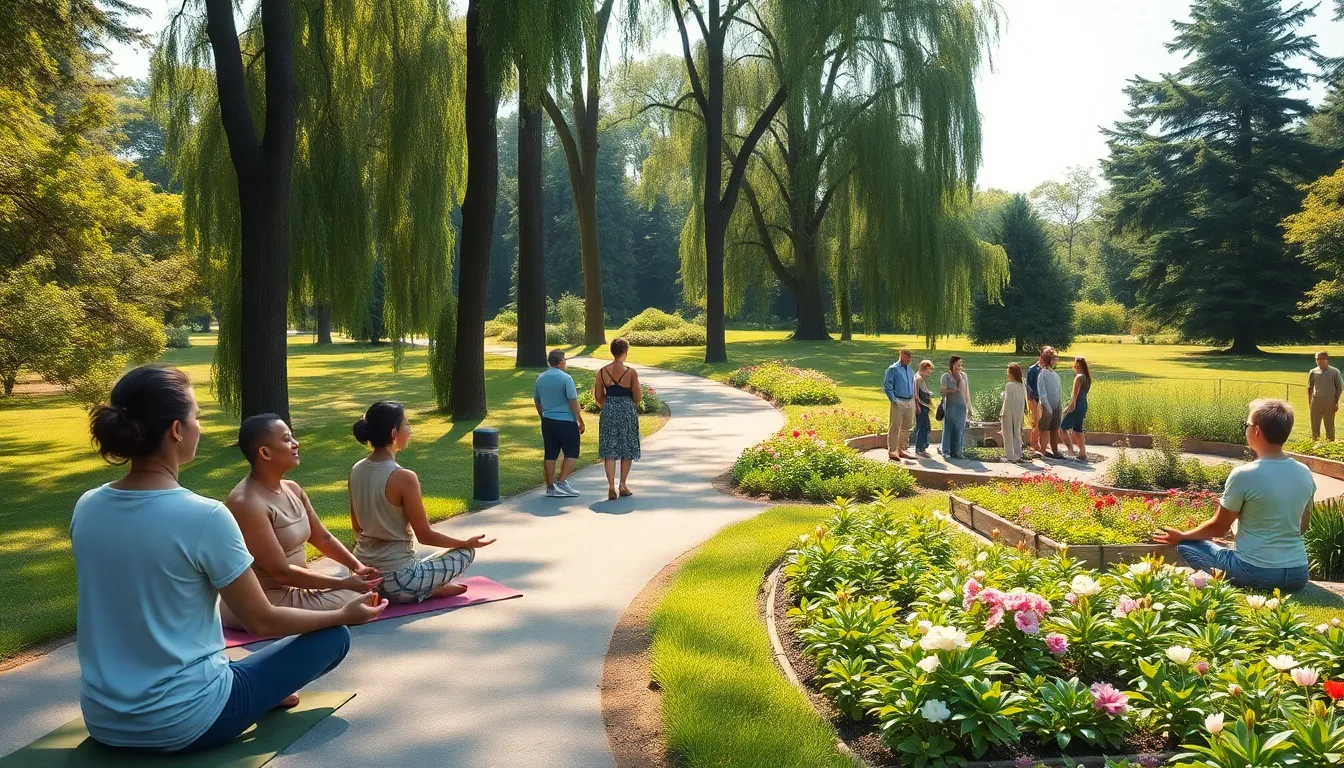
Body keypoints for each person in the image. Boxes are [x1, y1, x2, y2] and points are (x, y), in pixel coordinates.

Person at [72, 366, 386, 754]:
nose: (199, 427)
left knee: (231, 664)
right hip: (186, 722)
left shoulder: (87, 506)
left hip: (104, 720)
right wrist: (344, 615)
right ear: (176, 430)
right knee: (332, 638)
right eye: (197, 418)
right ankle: (252, 691)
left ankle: (254, 688)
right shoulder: (204, 516)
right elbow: (262, 620)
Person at [220, 414, 384, 629]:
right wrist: (344, 582)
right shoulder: (246, 503)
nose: (296, 444)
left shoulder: (292, 489)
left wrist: (359, 568)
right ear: (265, 452)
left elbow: (322, 538)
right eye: (287, 439)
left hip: (296, 589)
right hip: (264, 600)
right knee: (355, 599)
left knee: (365, 593)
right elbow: (281, 572)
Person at [1155, 399, 1315, 592]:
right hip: (1297, 573)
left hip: (1256, 572)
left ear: (1256, 430)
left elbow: (1218, 527)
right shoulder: (1304, 472)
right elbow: (1301, 527)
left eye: (1246, 425)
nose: (1245, 429)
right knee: (1216, 546)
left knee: (1187, 545)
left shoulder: (1245, 474)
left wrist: (1181, 536)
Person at [350, 401, 496, 603]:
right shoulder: (403, 476)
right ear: (394, 432)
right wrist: (465, 543)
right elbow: (425, 535)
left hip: (363, 578)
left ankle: (418, 589)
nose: (409, 430)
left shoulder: (356, 469)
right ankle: (427, 590)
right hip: (399, 579)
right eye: (407, 424)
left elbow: (357, 528)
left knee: (430, 559)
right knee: (465, 553)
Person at [534, 349, 587, 498]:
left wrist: (543, 416)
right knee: (572, 451)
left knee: (550, 453)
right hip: (565, 421)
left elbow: (537, 401)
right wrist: (580, 421)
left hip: (548, 420)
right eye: (565, 360)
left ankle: (550, 487)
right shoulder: (566, 379)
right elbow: (573, 402)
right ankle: (562, 481)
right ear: (561, 362)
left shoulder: (540, 378)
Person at [596, 338, 643, 500]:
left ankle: (610, 486)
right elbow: (637, 397)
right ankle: (622, 484)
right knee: (627, 447)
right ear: (625, 351)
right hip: (627, 410)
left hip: (609, 409)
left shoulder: (602, 372)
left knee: (610, 449)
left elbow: (598, 396)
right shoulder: (630, 372)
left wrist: (610, 405)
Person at [884, 349, 917, 461]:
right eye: (908, 356)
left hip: (909, 400)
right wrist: (894, 400)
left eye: (910, 356)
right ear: (902, 355)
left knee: (906, 427)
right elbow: (888, 386)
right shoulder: (893, 369)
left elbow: (912, 384)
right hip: (898, 400)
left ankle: (902, 449)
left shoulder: (909, 369)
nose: (910, 358)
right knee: (895, 426)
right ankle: (893, 451)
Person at [1060, 357, 1093, 461]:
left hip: (1077, 405)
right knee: (1078, 429)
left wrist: (1070, 406)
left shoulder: (1078, 377)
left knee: (1062, 428)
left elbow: (1075, 395)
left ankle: (1070, 450)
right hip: (1083, 405)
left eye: (1075, 365)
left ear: (1077, 365)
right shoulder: (1087, 378)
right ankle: (1083, 452)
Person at [939, 356, 970, 460]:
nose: (960, 366)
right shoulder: (946, 376)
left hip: (962, 405)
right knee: (949, 427)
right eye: (958, 364)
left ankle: (957, 452)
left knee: (960, 428)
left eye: (960, 364)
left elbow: (967, 392)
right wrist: (953, 390)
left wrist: (969, 407)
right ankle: (946, 451)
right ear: (953, 365)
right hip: (950, 404)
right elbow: (942, 391)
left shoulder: (964, 376)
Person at [1307, 351, 1342, 441]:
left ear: (1326, 359)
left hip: (1329, 401)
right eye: (1317, 359)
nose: (1318, 361)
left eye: (1320, 358)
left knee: (1329, 425)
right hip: (1316, 400)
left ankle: (1329, 444)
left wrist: (1336, 402)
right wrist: (1310, 402)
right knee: (1315, 425)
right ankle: (1314, 443)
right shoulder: (1313, 372)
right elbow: (1310, 388)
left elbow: (1339, 388)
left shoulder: (1334, 371)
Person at [1036, 349, 1064, 459]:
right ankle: (1042, 450)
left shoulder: (1056, 375)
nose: (1055, 361)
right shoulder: (1042, 374)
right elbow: (1042, 392)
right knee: (1044, 429)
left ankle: (1055, 450)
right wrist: (1048, 408)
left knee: (1054, 429)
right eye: (1054, 359)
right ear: (1048, 360)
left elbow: (1058, 391)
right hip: (1046, 407)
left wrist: (1059, 406)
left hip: (1056, 406)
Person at [1001, 364, 1027, 463]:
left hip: (1009, 412)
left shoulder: (1010, 386)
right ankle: (1018, 453)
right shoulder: (1022, 385)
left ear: (1012, 374)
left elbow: (1006, 402)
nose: (1007, 375)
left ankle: (1010, 455)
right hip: (1019, 412)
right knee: (1017, 433)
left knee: (1008, 434)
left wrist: (1003, 414)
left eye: (1008, 372)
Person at [1025, 349, 1047, 453]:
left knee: (1042, 423)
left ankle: (1040, 443)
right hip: (1034, 398)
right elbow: (1028, 386)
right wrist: (1031, 401)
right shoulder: (1033, 369)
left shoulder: (1045, 369)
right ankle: (1034, 445)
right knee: (1037, 423)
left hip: (1043, 399)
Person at [913, 360, 935, 458]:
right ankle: (920, 449)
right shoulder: (918, 379)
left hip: (923, 406)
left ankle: (922, 447)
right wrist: (918, 406)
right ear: (925, 368)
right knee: (923, 427)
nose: (930, 371)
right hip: (921, 406)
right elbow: (916, 394)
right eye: (929, 369)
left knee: (925, 427)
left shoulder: (920, 378)